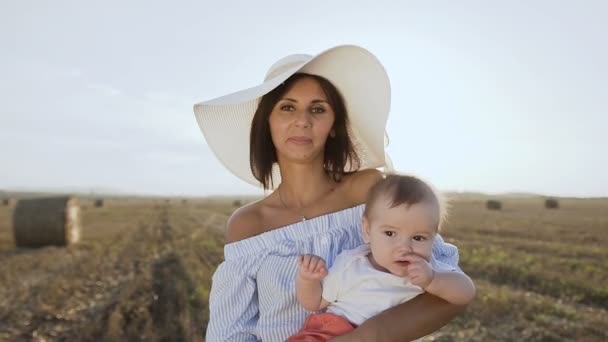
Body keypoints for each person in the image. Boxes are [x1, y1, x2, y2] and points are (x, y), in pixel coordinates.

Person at [193, 45, 468, 342]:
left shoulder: (368, 191)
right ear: (267, 123)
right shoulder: (248, 224)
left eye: (317, 109)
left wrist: (367, 336)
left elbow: (446, 292)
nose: (302, 120)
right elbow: (230, 333)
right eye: (287, 107)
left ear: (334, 125)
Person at [288, 174, 476, 341]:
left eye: (418, 238)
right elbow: (314, 302)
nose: (404, 248)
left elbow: (466, 292)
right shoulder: (352, 264)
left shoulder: (428, 269)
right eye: (390, 233)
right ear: (368, 230)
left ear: (433, 238)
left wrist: (433, 280)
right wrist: (307, 279)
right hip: (334, 332)